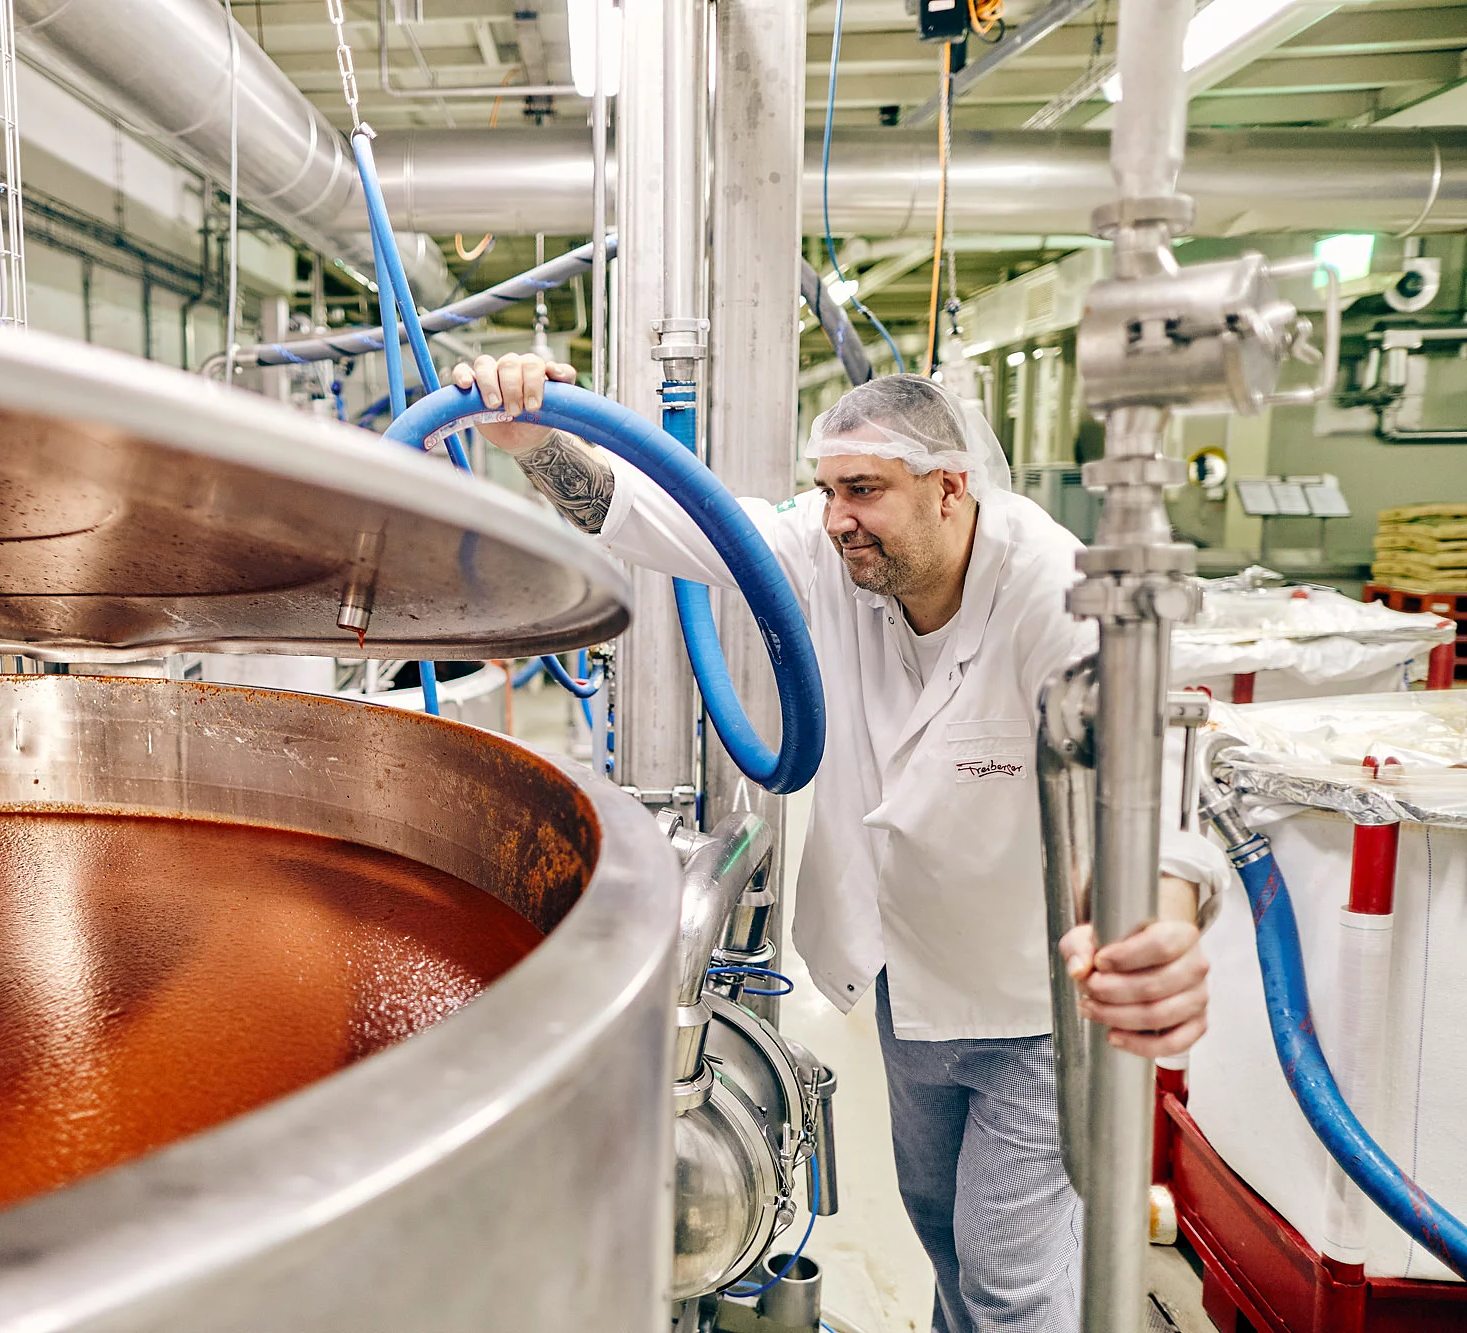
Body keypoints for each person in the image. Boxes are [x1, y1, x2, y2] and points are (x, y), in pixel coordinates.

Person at [453, 353, 1232, 1333]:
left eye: (862, 489)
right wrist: (532, 439)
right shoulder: (836, 558)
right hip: (906, 980)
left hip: (1033, 1003)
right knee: (944, 1240)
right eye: (826, 489)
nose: (833, 517)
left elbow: (1146, 783)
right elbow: (679, 521)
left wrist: (1155, 927)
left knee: (1010, 1279)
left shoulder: (1051, 588)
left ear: (950, 487)